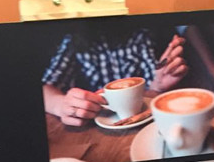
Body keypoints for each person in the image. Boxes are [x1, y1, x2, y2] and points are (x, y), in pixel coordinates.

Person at [42, 28, 188, 127]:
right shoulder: (73, 42)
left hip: (143, 122)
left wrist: (158, 84)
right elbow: (46, 87)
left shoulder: (140, 35)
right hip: (97, 124)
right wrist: (60, 105)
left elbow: (150, 86)